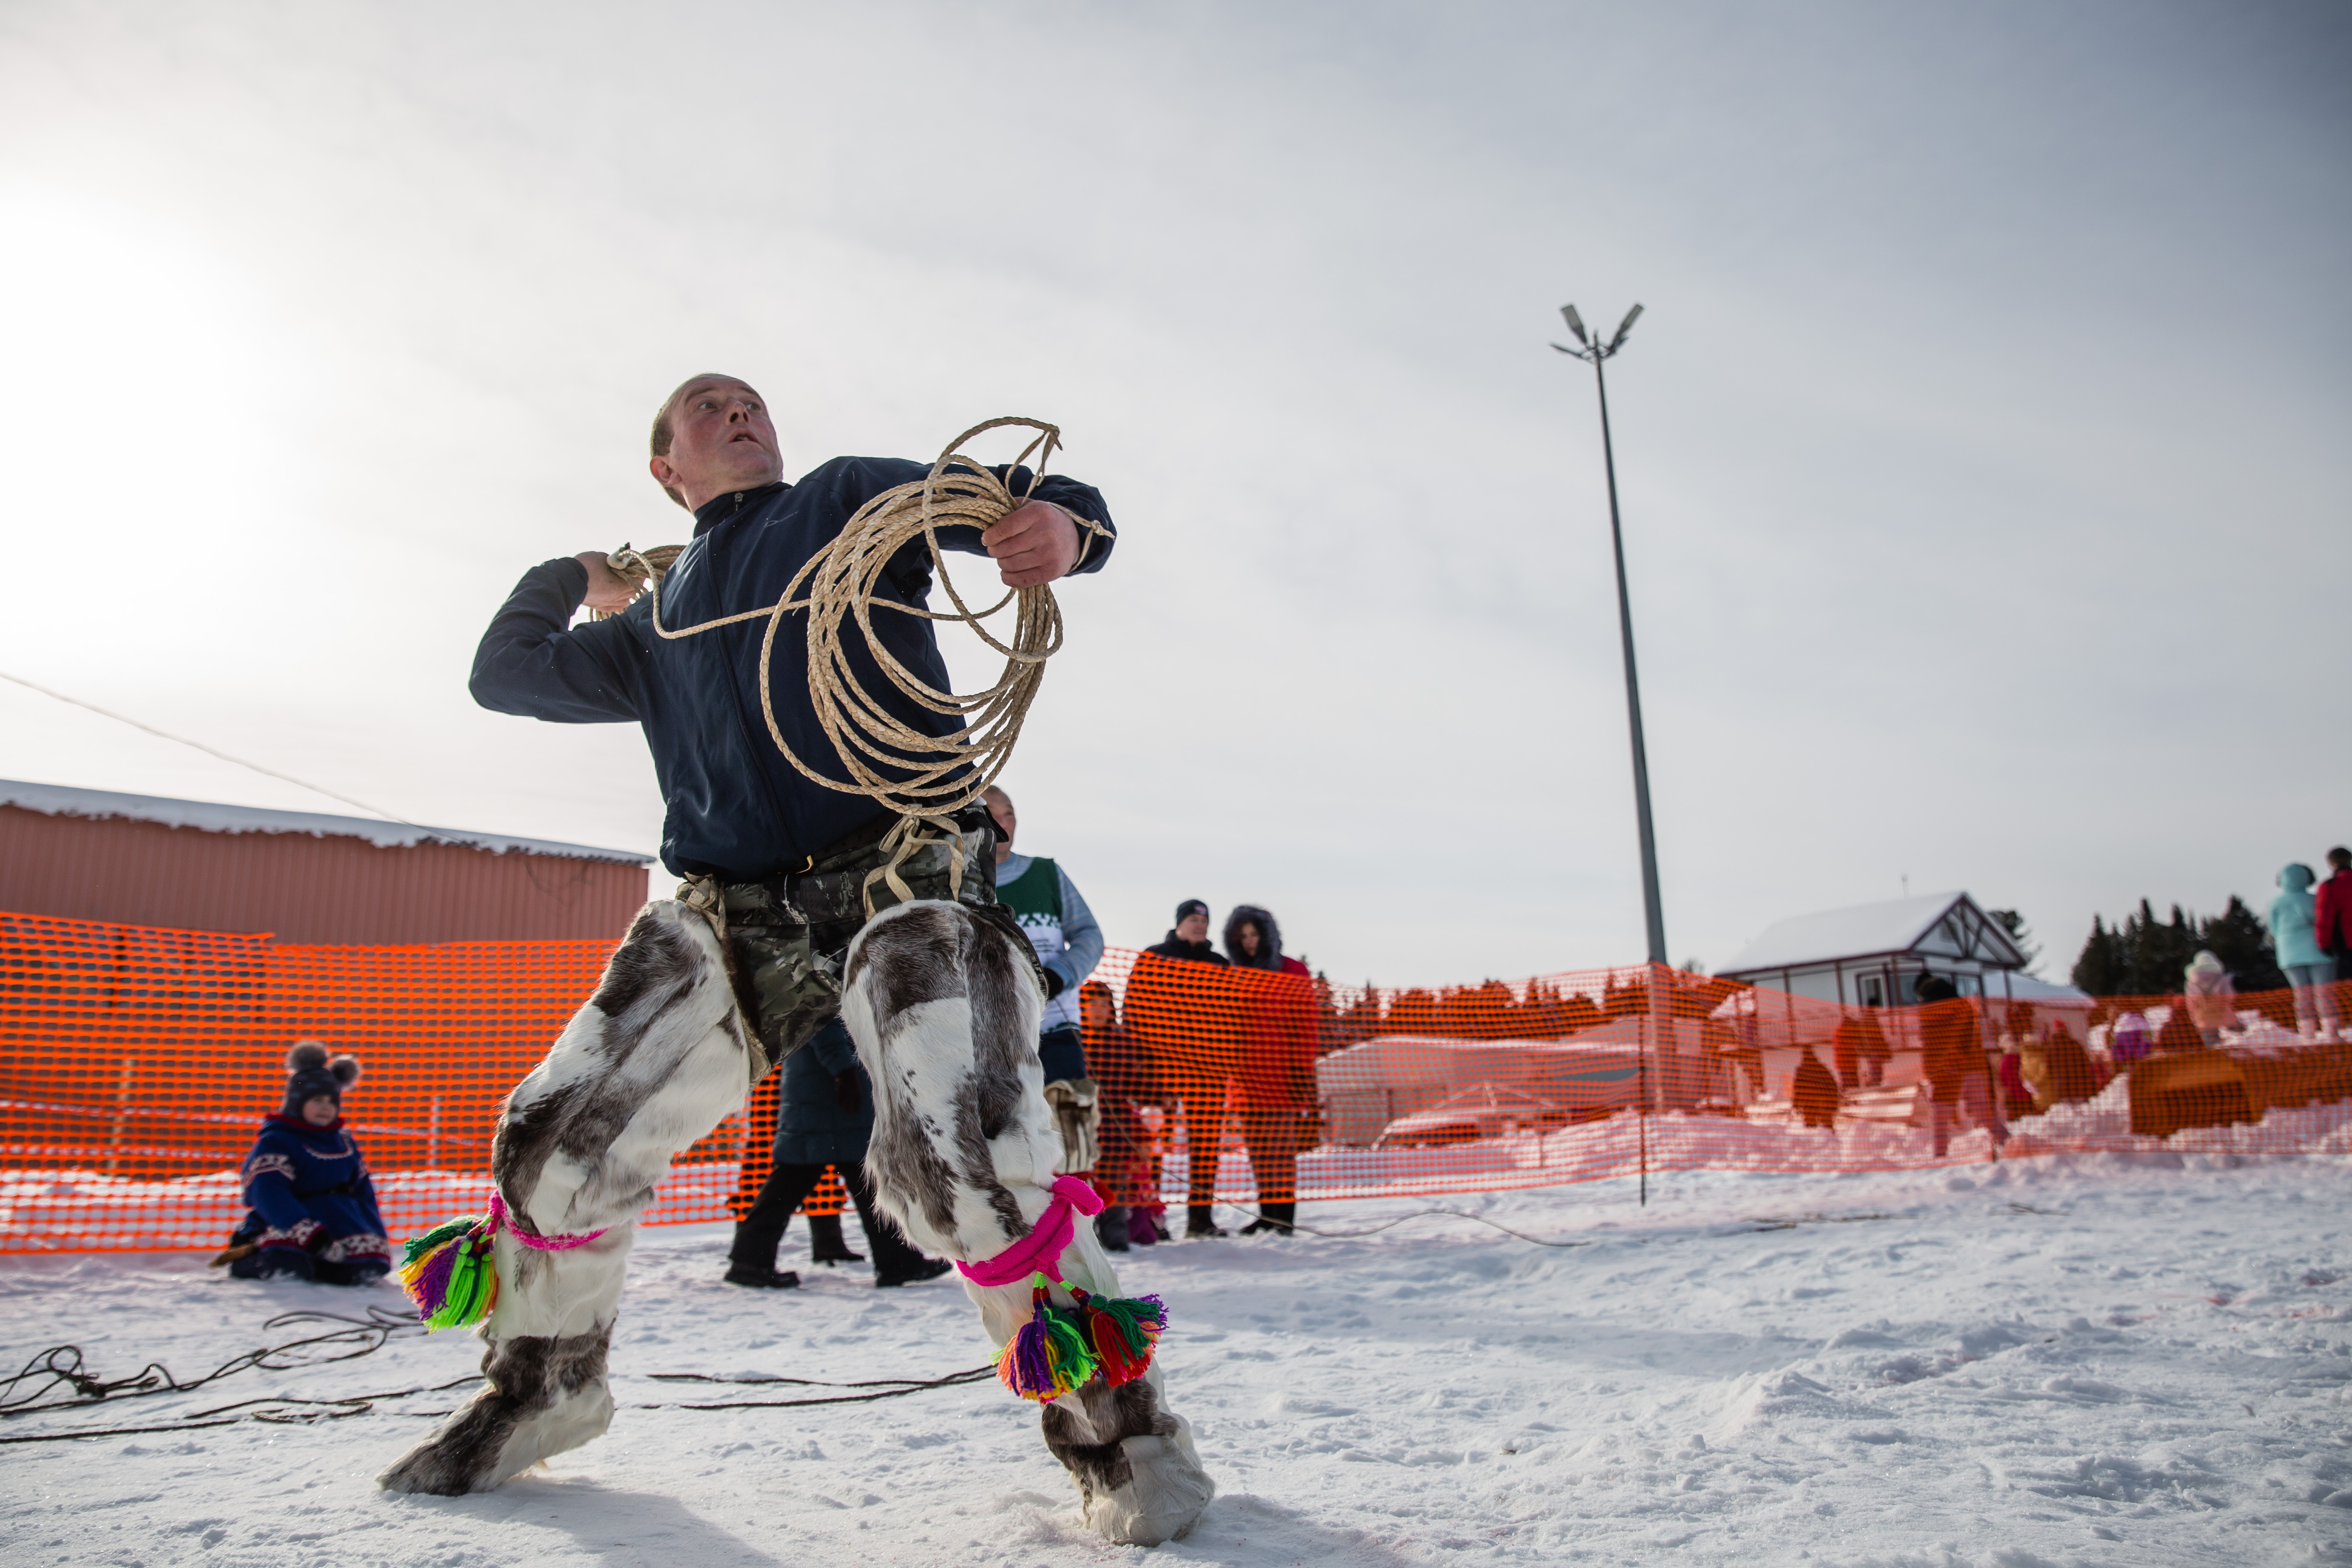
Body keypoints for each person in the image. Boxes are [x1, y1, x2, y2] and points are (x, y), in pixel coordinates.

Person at [382, 373, 1117, 1497]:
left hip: (904, 873)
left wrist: (1063, 524)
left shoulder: (842, 502)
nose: (740, 412)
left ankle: (1119, 1430)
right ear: (664, 469)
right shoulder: (651, 627)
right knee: (554, 1130)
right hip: (735, 914)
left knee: (964, 1145)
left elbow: (1023, 496)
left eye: (752, 401)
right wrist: (579, 577)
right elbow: (504, 673)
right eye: (706, 405)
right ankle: (544, 1385)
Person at [725, 1020, 953, 1289]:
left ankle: (898, 1262)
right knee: (861, 1183)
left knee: (861, 1185)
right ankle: (897, 1263)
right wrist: (845, 1073)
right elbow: (823, 1027)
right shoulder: (831, 982)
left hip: (821, 1103)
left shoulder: (823, 983)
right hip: (830, 1101)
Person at [982, 785, 1105, 1175]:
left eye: (1010, 813)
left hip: (1056, 1029)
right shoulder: (962, 883)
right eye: (992, 815)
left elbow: (1089, 934)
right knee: (1013, 1150)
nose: (1004, 824)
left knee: (1075, 1142)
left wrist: (1058, 975)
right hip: (992, 1038)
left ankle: (1079, 1229)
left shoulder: (1046, 872)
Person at [215, 1043, 391, 1286]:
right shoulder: (279, 1140)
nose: (326, 1107)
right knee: (290, 1264)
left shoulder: (344, 1144)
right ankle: (255, 1262)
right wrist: (307, 1232)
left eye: (332, 1101)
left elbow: (364, 1193)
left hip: (341, 1225)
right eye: (317, 1100)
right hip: (289, 1223)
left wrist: (374, 1232)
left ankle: (332, 1268)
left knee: (366, 1267)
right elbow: (269, 1192)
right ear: (296, 1102)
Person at [1221, 905, 1316, 1236]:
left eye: (1254, 934)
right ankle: (1267, 1214)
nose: (1249, 942)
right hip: (1245, 1079)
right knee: (1259, 1150)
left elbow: (1306, 1026)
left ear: (1267, 934)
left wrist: (1302, 1075)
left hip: (1282, 1077)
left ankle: (1283, 1218)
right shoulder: (1231, 974)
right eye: (1242, 936)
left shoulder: (1292, 970)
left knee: (1280, 1151)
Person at [1079, 980, 1167, 1252]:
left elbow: (1134, 1081)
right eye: (1093, 1005)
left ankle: (1115, 1233)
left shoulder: (1120, 1041)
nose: (1099, 1011)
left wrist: (1156, 1095)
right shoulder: (1073, 1038)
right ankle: (1082, 1237)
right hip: (1078, 1122)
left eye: (1104, 1006)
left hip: (1115, 1125)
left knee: (1114, 1180)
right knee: (1081, 1181)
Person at [1917, 975, 2005, 1158]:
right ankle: (2008, 1142)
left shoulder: (1933, 1014)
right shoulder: (1965, 1008)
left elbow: (1931, 1046)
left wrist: (1932, 1072)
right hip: (1973, 1067)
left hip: (1947, 1071)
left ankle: (1939, 1156)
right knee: (1983, 1112)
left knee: (1940, 1117)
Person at [2271, 863, 2341, 1039]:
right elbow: (2324, 920)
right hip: (2319, 952)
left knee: (2301, 995)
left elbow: (2273, 928)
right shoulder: (2314, 899)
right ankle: (2331, 1032)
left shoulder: (2275, 903)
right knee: (2325, 993)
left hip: (2288, 954)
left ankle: (2307, 1034)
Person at [1147, 901, 1227, 966]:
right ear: (1179, 925)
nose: (1200, 926)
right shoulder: (1155, 956)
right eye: (1194, 920)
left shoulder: (1219, 963)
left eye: (1204, 921)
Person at [2316, 847, 2352, 990]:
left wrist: (2324, 944)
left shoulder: (2330, 886)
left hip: (2346, 945)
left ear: (2330, 864)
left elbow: (2325, 918)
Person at [2182, 951, 2236, 1046]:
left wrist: (2195, 1019)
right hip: (2225, 1015)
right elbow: (2230, 996)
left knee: (2213, 1048)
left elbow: (2191, 1004)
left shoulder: (2191, 982)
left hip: (2204, 1019)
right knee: (2236, 1042)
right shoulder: (2222, 978)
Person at [1831, 1008, 1892, 1090]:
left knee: (1849, 1075)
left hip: (1847, 1059)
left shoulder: (1844, 1031)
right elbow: (1862, 1042)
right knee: (1851, 1075)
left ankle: (1855, 1086)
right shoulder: (1850, 1030)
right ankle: (1870, 1083)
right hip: (1848, 1058)